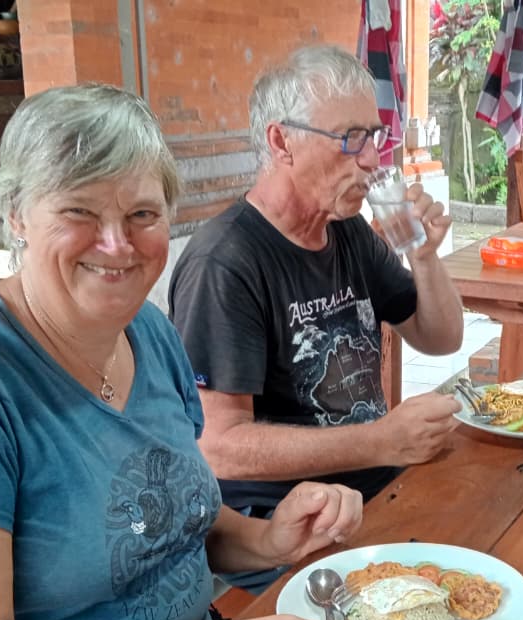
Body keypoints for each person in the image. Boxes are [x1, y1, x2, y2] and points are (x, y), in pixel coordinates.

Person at [0, 83, 366, 620]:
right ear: (17, 215)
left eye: (141, 214)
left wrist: (270, 540)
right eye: (78, 212)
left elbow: (175, 523)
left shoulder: (149, 332)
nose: (117, 244)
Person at [167, 44, 466, 592]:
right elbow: (218, 446)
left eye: (374, 136)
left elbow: (442, 337)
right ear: (282, 142)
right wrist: (381, 440)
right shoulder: (226, 263)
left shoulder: (346, 231)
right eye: (350, 138)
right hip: (293, 525)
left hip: (379, 487)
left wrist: (423, 256)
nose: (371, 159)